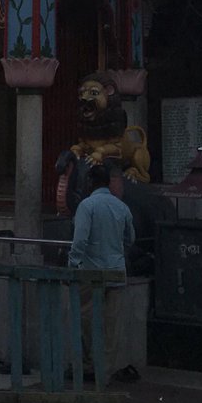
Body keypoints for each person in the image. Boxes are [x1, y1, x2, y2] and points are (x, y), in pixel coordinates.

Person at [67, 163, 136, 383]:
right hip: (116, 272)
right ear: (108, 182)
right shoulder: (121, 207)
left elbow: (79, 240)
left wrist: (73, 264)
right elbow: (130, 239)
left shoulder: (87, 206)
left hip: (91, 272)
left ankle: (87, 364)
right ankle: (104, 372)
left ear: (89, 183)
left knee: (85, 320)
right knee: (111, 325)